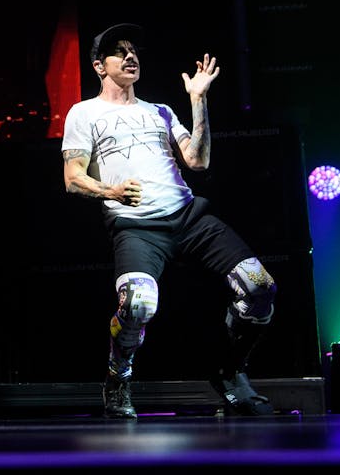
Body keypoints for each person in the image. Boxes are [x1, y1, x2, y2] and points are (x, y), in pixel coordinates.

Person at [60, 23, 278, 418]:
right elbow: (72, 176)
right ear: (98, 66)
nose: (130, 57)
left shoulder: (160, 111)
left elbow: (198, 160)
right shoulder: (84, 113)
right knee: (138, 304)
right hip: (136, 225)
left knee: (259, 288)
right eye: (118, 52)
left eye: (133, 51)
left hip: (188, 216)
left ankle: (230, 371)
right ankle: (117, 377)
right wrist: (111, 191)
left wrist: (199, 101)